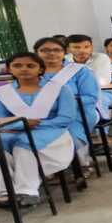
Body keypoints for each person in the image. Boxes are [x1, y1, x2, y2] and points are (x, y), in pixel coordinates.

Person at [0, 51, 76, 206]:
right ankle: (5, 193)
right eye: (17, 66)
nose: (24, 69)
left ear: (40, 69)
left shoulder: (60, 89)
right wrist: (22, 125)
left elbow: (66, 118)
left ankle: (27, 192)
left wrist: (37, 124)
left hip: (50, 131)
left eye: (30, 65)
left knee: (25, 143)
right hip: (13, 130)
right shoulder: (2, 94)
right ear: (9, 69)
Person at [37, 37, 100, 168]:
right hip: (42, 114)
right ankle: (48, 167)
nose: (51, 53)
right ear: (36, 52)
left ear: (65, 52)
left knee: (70, 134)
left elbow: (90, 97)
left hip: (78, 112)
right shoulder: (31, 73)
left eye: (56, 50)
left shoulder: (80, 71)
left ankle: (82, 164)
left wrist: (61, 104)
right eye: (45, 50)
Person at [66, 34, 112, 119]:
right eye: (76, 47)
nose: (82, 50)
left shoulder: (101, 58)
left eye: (86, 47)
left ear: (91, 47)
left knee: (96, 103)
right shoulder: (64, 60)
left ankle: (101, 130)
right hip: (73, 94)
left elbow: (103, 81)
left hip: (101, 92)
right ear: (68, 49)